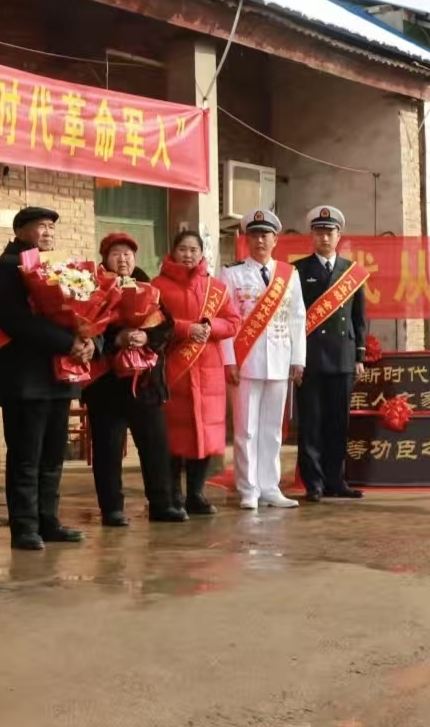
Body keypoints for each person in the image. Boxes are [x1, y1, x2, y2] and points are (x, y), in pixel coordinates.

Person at [0, 206, 94, 550]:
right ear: (20, 231)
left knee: (52, 455)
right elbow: (16, 321)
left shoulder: (56, 270)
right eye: (40, 227)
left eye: (50, 228)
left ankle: (49, 520)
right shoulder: (6, 269)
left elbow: (76, 313)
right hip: (24, 378)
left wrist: (88, 338)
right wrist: (67, 342)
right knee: (26, 456)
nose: (47, 233)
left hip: (57, 375)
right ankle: (24, 525)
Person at [84, 233, 187, 526]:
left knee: (155, 444)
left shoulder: (150, 289)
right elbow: (85, 328)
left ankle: (162, 504)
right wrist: (118, 337)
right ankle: (112, 509)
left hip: (145, 383)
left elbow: (167, 327)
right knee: (108, 448)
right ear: (105, 259)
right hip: (107, 383)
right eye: (116, 253)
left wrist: (146, 336)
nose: (123, 259)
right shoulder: (92, 288)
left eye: (128, 253)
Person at [219, 208, 306, 511]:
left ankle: (270, 487)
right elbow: (226, 320)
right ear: (246, 239)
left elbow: (297, 318)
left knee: (271, 429)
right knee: (245, 429)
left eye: (265, 234)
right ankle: (248, 488)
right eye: (254, 234)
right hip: (245, 361)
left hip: (280, 360)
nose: (260, 240)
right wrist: (229, 360)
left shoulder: (289, 274)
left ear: (275, 239)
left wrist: (298, 359)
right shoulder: (232, 274)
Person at [154, 230, 241, 515]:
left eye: (193, 249)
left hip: (209, 373)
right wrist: (184, 329)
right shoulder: (157, 286)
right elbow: (153, 323)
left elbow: (232, 322)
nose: (188, 255)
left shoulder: (215, 288)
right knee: (172, 437)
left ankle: (196, 493)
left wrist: (209, 326)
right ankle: (173, 496)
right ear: (172, 252)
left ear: (202, 254)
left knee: (204, 437)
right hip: (174, 372)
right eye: (183, 249)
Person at [294, 206, 369, 502]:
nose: (324, 237)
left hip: (342, 357)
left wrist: (360, 355)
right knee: (311, 422)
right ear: (311, 235)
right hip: (310, 356)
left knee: (339, 422)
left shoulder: (351, 272)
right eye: (319, 232)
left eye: (329, 232)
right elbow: (294, 316)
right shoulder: (298, 270)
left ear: (339, 235)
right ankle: (313, 483)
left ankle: (336, 480)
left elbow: (360, 317)